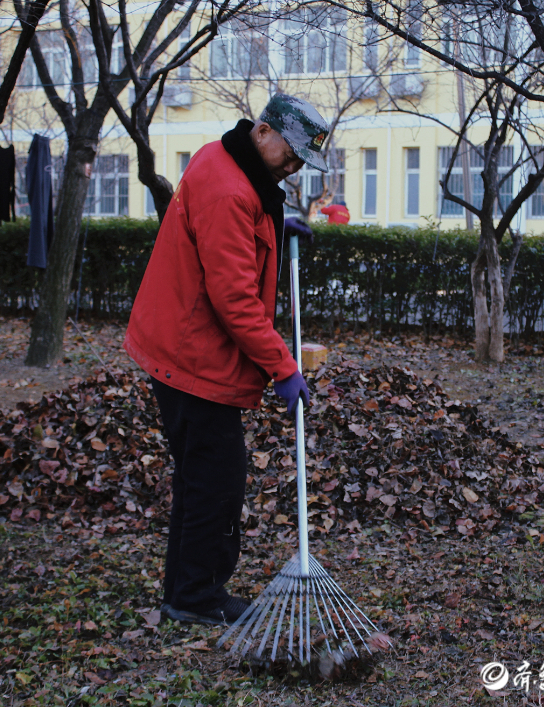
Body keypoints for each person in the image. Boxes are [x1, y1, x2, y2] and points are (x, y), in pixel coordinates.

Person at [123, 94, 330, 626]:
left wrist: (273, 225)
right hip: (192, 356)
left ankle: (184, 591)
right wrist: (284, 368)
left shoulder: (229, 165)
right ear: (262, 132)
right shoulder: (229, 191)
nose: (296, 164)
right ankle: (196, 596)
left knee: (202, 478)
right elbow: (235, 300)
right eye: (293, 151)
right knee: (217, 482)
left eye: (303, 158)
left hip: (187, 347)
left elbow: (238, 232)